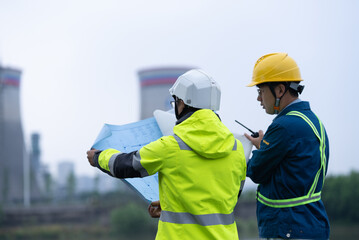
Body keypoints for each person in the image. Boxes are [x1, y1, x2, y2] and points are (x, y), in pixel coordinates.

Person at [87, 69, 247, 239]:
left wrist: (98, 157)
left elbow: (125, 165)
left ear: (183, 103)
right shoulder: (237, 150)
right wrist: (171, 204)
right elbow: (224, 199)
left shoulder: (171, 147)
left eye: (175, 102)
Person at [244, 52, 330, 239]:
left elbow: (255, 171)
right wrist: (266, 146)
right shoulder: (313, 121)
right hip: (311, 224)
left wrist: (258, 151)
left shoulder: (283, 126)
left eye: (261, 91)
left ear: (280, 90)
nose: (259, 98)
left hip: (287, 227)